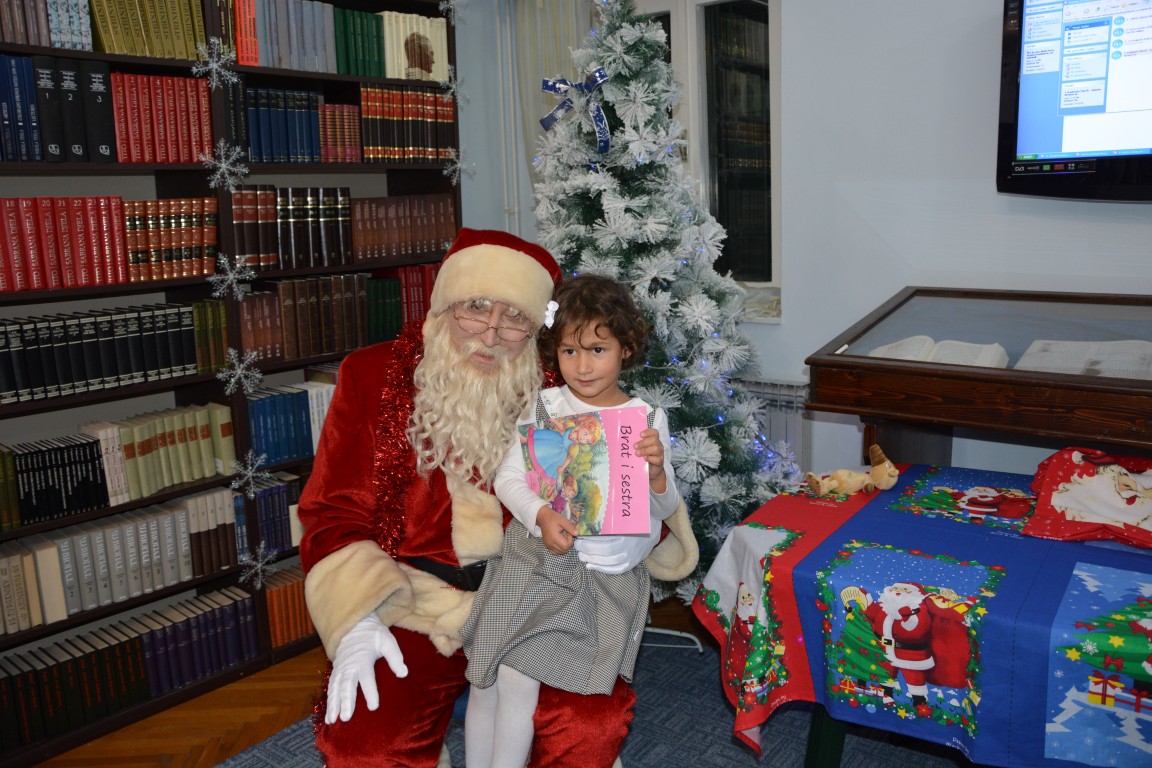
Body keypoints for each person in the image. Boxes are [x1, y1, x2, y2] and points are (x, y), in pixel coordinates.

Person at [298, 229, 698, 768]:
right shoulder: (375, 375)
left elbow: (640, 481)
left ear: (536, 329)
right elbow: (333, 510)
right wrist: (357, 617)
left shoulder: (564, 380)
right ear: (444, 306)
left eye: (513, 317)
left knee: (587, 729)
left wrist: (639, 540)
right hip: (416, 601)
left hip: (547, 589)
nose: (490, 332)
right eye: (475, 307)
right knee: (366, 746)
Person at [460, 274, 682, 768]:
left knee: (517, 675)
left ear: (626, 348)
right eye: (569, 351)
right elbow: (508, 478)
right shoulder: (543, 406)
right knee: (485, 677)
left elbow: (665, 509)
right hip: (530, 562)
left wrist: (656, 473)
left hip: (595, 576)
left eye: (598, 350)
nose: (582, 366)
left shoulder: (646, 418)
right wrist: (540, 514)